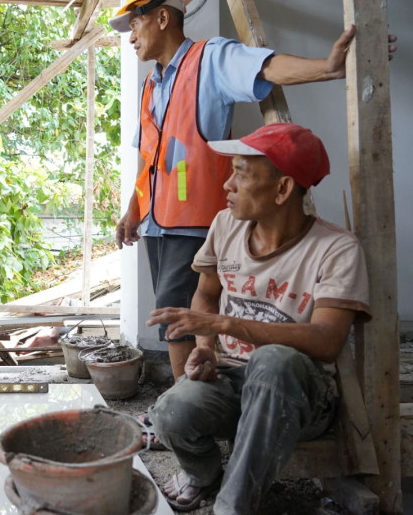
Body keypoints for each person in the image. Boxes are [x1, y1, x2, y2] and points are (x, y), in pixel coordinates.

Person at [111, 0, 393, 382]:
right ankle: (193, 399)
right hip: (157, 221)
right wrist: (134, 209)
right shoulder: (152, 84)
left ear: (163, 17)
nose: (130, 36)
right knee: (172, 309)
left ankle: (186, 403)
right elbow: (149, 156)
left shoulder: (210, 59)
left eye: (135, 23)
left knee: (180, 312)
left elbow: (266, 67)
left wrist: (327, 68)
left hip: (194, 219)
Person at [145, 123, 370, 513]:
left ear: (283, 190)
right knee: (168, 412)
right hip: (234, 379)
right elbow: (206, 294)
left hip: (301, 396)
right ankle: (205, 476)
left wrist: (229, 326)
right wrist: (206, 349)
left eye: (241, 174)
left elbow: (327, 340)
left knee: (274, 358)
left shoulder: (336, 249)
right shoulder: (225, 226)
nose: (227, 185)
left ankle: (234, 505)